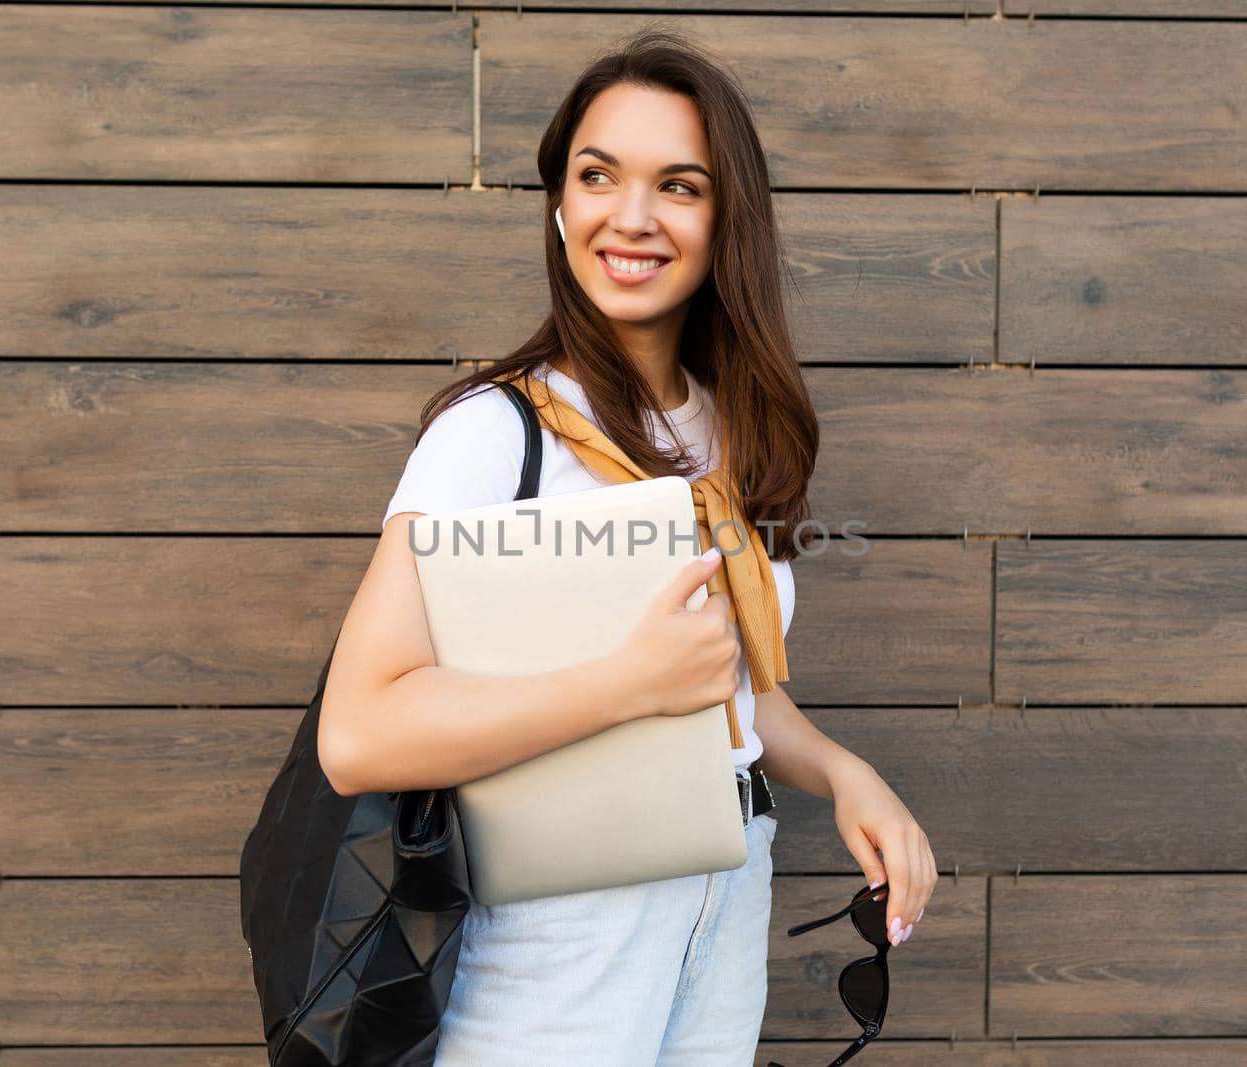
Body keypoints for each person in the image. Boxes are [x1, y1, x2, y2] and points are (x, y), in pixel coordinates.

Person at [317, 28, 936, 1066]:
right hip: (563, 926)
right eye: (597, 175)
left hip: (725, 890)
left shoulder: (729, 430)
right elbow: (359, 728)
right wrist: (626, 681)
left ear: (725, 216)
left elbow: (729, 685)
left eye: (678, 185)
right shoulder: (493, 431)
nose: (631, 216)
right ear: (560, 202)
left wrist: (843, 772)